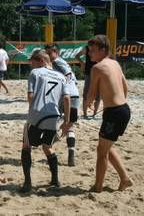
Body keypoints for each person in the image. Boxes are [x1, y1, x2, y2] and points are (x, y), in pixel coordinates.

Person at [86, 34, 133, 193]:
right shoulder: (115, 63)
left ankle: (98, 187)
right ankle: (125, 179)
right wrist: (116, 103)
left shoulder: (97, 68)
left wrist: (87, 105)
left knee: (101, 152)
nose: (90, 53)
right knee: (107, 147)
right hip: (124, 109)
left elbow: (91, 94)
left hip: (114, 113)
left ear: (103, 50)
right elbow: (126, 87)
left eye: (92, 50)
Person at [20, 49, 71, 193]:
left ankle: (27, 183)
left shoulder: (36, 73)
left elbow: (30, 96)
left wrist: (33, 110)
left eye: (33, 62)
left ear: (41, 60)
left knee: (26, 146)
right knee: (47, 146)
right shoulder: (61, 76)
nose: (32, 66)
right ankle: (55, 180)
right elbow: (67, 99)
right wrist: (66, 121)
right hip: (54, 116)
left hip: (37, 114)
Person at [45, 44, 80, 166]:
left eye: (49, 53)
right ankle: (71, 153)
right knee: (69, 126)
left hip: (65, 95)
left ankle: (49, 144)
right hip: (75, 94)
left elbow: (67, 76)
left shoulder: (57, 62)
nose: (48, 56)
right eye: (46, 53)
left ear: (56, 52)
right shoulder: (62, 62)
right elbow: (73, 79)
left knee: (51, 119)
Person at [75, 46, 100, 118]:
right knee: (86, 94)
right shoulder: (87, 48)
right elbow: (77, 56)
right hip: (88, 72)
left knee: (98, 94)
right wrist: (82, 63)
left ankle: (94, 114)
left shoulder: (100, 48)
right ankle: (85, 114)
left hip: (98, 72)